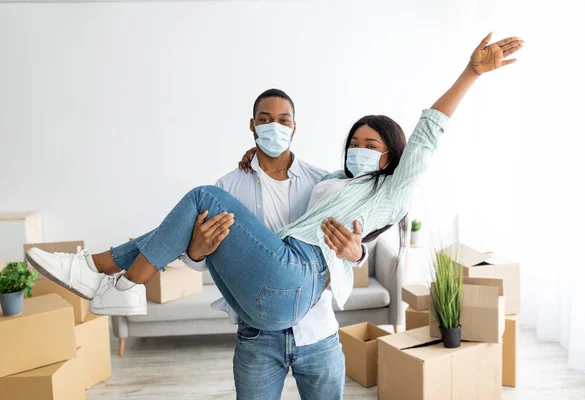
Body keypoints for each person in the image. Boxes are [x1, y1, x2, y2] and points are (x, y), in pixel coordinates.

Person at [27, 33, 523, 332]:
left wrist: (470, 72)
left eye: (373, 145)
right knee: (208, 205)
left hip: (300, 279)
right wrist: (253, 167)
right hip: (268, 297)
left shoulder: (390, 191)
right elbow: (217, 232)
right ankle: (95, 269)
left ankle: (116, 281)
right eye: (356, 141)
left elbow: (427, 138)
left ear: (392, 155)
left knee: (204, 196)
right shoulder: (329, 180)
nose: (362, 149)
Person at [181, 88, 362, 399]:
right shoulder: (228, 187)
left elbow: (355, 243)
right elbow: (195, 258)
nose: (274, 127)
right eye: (265, 119)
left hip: (317, 330)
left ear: (294, 126)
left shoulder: (323, 183)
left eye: (283, 119)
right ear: (252, 125)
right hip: (257, 337)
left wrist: (357, 253)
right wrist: (196, 250)